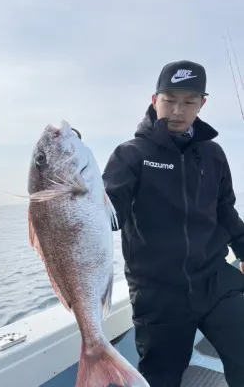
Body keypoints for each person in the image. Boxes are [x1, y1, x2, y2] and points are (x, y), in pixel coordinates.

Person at [102, 59, 244, 387]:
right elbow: (110, 216)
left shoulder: (213, 155)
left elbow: (226, 212)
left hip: (214, 281)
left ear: (202, 104)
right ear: (154, 100)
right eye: (170, 100)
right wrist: (71, 191)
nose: (178, 110)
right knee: (161, 379)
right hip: (158, 294)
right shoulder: (130, 155)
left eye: (189, 101)